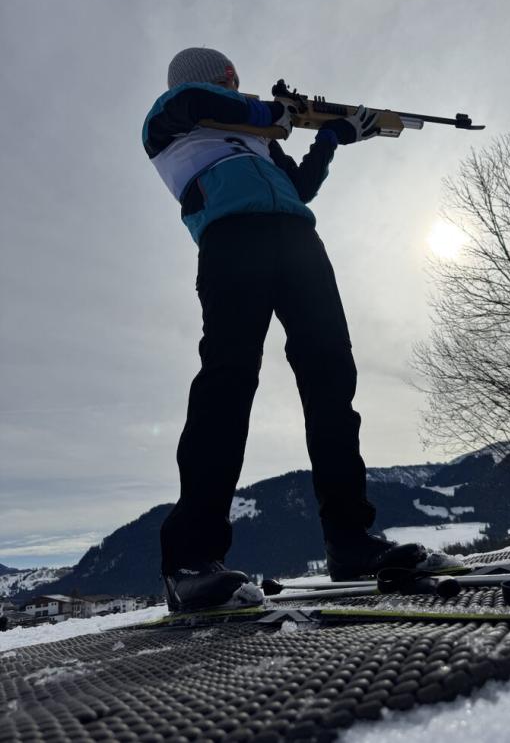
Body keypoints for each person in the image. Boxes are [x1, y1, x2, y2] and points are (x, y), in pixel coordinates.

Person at [142, 47, 428, 611]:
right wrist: (278, 113)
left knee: (332, 383)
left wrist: (332, 137)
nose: (234, 84)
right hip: (231, 241)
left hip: (298, 241)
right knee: (228, 384)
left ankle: (350, 542)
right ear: (217, 78)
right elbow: (197, 100)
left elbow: (300, 188)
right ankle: (190, 560)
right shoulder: (172, 117)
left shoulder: (261, 136)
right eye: (229, 78)